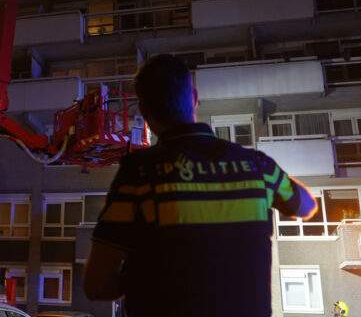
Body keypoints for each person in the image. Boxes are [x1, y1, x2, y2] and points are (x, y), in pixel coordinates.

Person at [83, 54, 318, 316]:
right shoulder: (259, 167)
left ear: (144, 112)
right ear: (194, 97)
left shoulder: (138, 174)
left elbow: (96, 286)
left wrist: (149, 271)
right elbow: (306, 206)